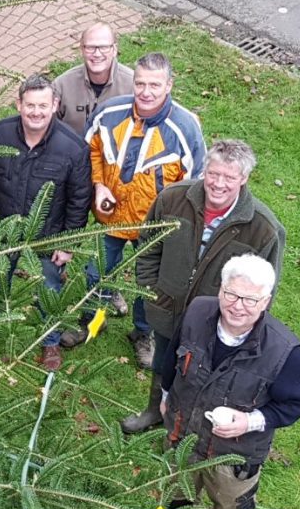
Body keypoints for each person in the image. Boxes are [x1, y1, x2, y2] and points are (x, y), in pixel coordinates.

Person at [156, 255, 300, 509]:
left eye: (250, 299)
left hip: (235, 454)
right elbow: (172, 357)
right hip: (183, 431)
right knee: (175, 488)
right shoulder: (198, 312)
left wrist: (250, 421)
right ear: (221, 289)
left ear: (266, 302)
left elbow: (298, 401)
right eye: (231, 294)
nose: (237, 306)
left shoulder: (283, 350)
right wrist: (166, 393)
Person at [121, 139, 286, 434]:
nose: (218, 184)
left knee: (199, 376)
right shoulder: (173, 199)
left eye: (229, 177)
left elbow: (265, 288)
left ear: (244, 179)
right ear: (205, 169)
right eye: (213, 174)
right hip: (166, 306)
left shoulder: (263, 228)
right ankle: (153, 411)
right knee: (162, 363)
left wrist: (238, 321)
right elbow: (147, 246)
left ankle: (186, 429)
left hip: (217, 323)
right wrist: (151, 288)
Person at [64, 53, 205, 365]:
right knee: (97, 271)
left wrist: (171, 223)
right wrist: (99, 185)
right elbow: (90, 151)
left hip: (153, 227)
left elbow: (195, 185)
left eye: (155, 85)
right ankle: (91, 320)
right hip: (111, 217)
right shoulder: (109, 112)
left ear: (169, 85)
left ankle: (143, 333)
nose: (146, 92)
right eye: (140, 83)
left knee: (149, 285)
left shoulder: (185, 129)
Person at [0, 74, 92, 371]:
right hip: (4, 230)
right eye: (30, 105)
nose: (36, 112)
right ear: (19, 104)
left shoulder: (73, 148)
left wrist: (68, 243)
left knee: (49, 288)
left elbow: (79, 199)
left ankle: (50, 343)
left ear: (55, 106)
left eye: (43, 105)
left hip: (47, 236)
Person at [54, 22, 134, 136]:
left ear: (114, 49)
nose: (97, 54)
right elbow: (46, 126)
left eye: (104, 47)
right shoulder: (62, 85)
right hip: (72, 151)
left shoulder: (133, 85)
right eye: (90, 47)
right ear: (82, 49)